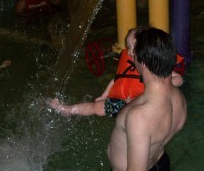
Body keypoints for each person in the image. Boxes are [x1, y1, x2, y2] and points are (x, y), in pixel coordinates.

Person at [106, 27, 187, 171]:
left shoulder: (139, 115)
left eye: (134, 54)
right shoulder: (179, 98)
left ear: (142, 63)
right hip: (160, 169)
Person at [49, 27, 183, 118]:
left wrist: (160, 84)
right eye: (128, 47)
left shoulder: (151, 65)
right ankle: (68, 110)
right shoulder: (128, 62)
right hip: (123, 102)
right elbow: (116, 80)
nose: (129, 51)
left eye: (131, 47)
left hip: (144, 104)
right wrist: (104, 96)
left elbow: (178, 79)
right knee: (97, 107)